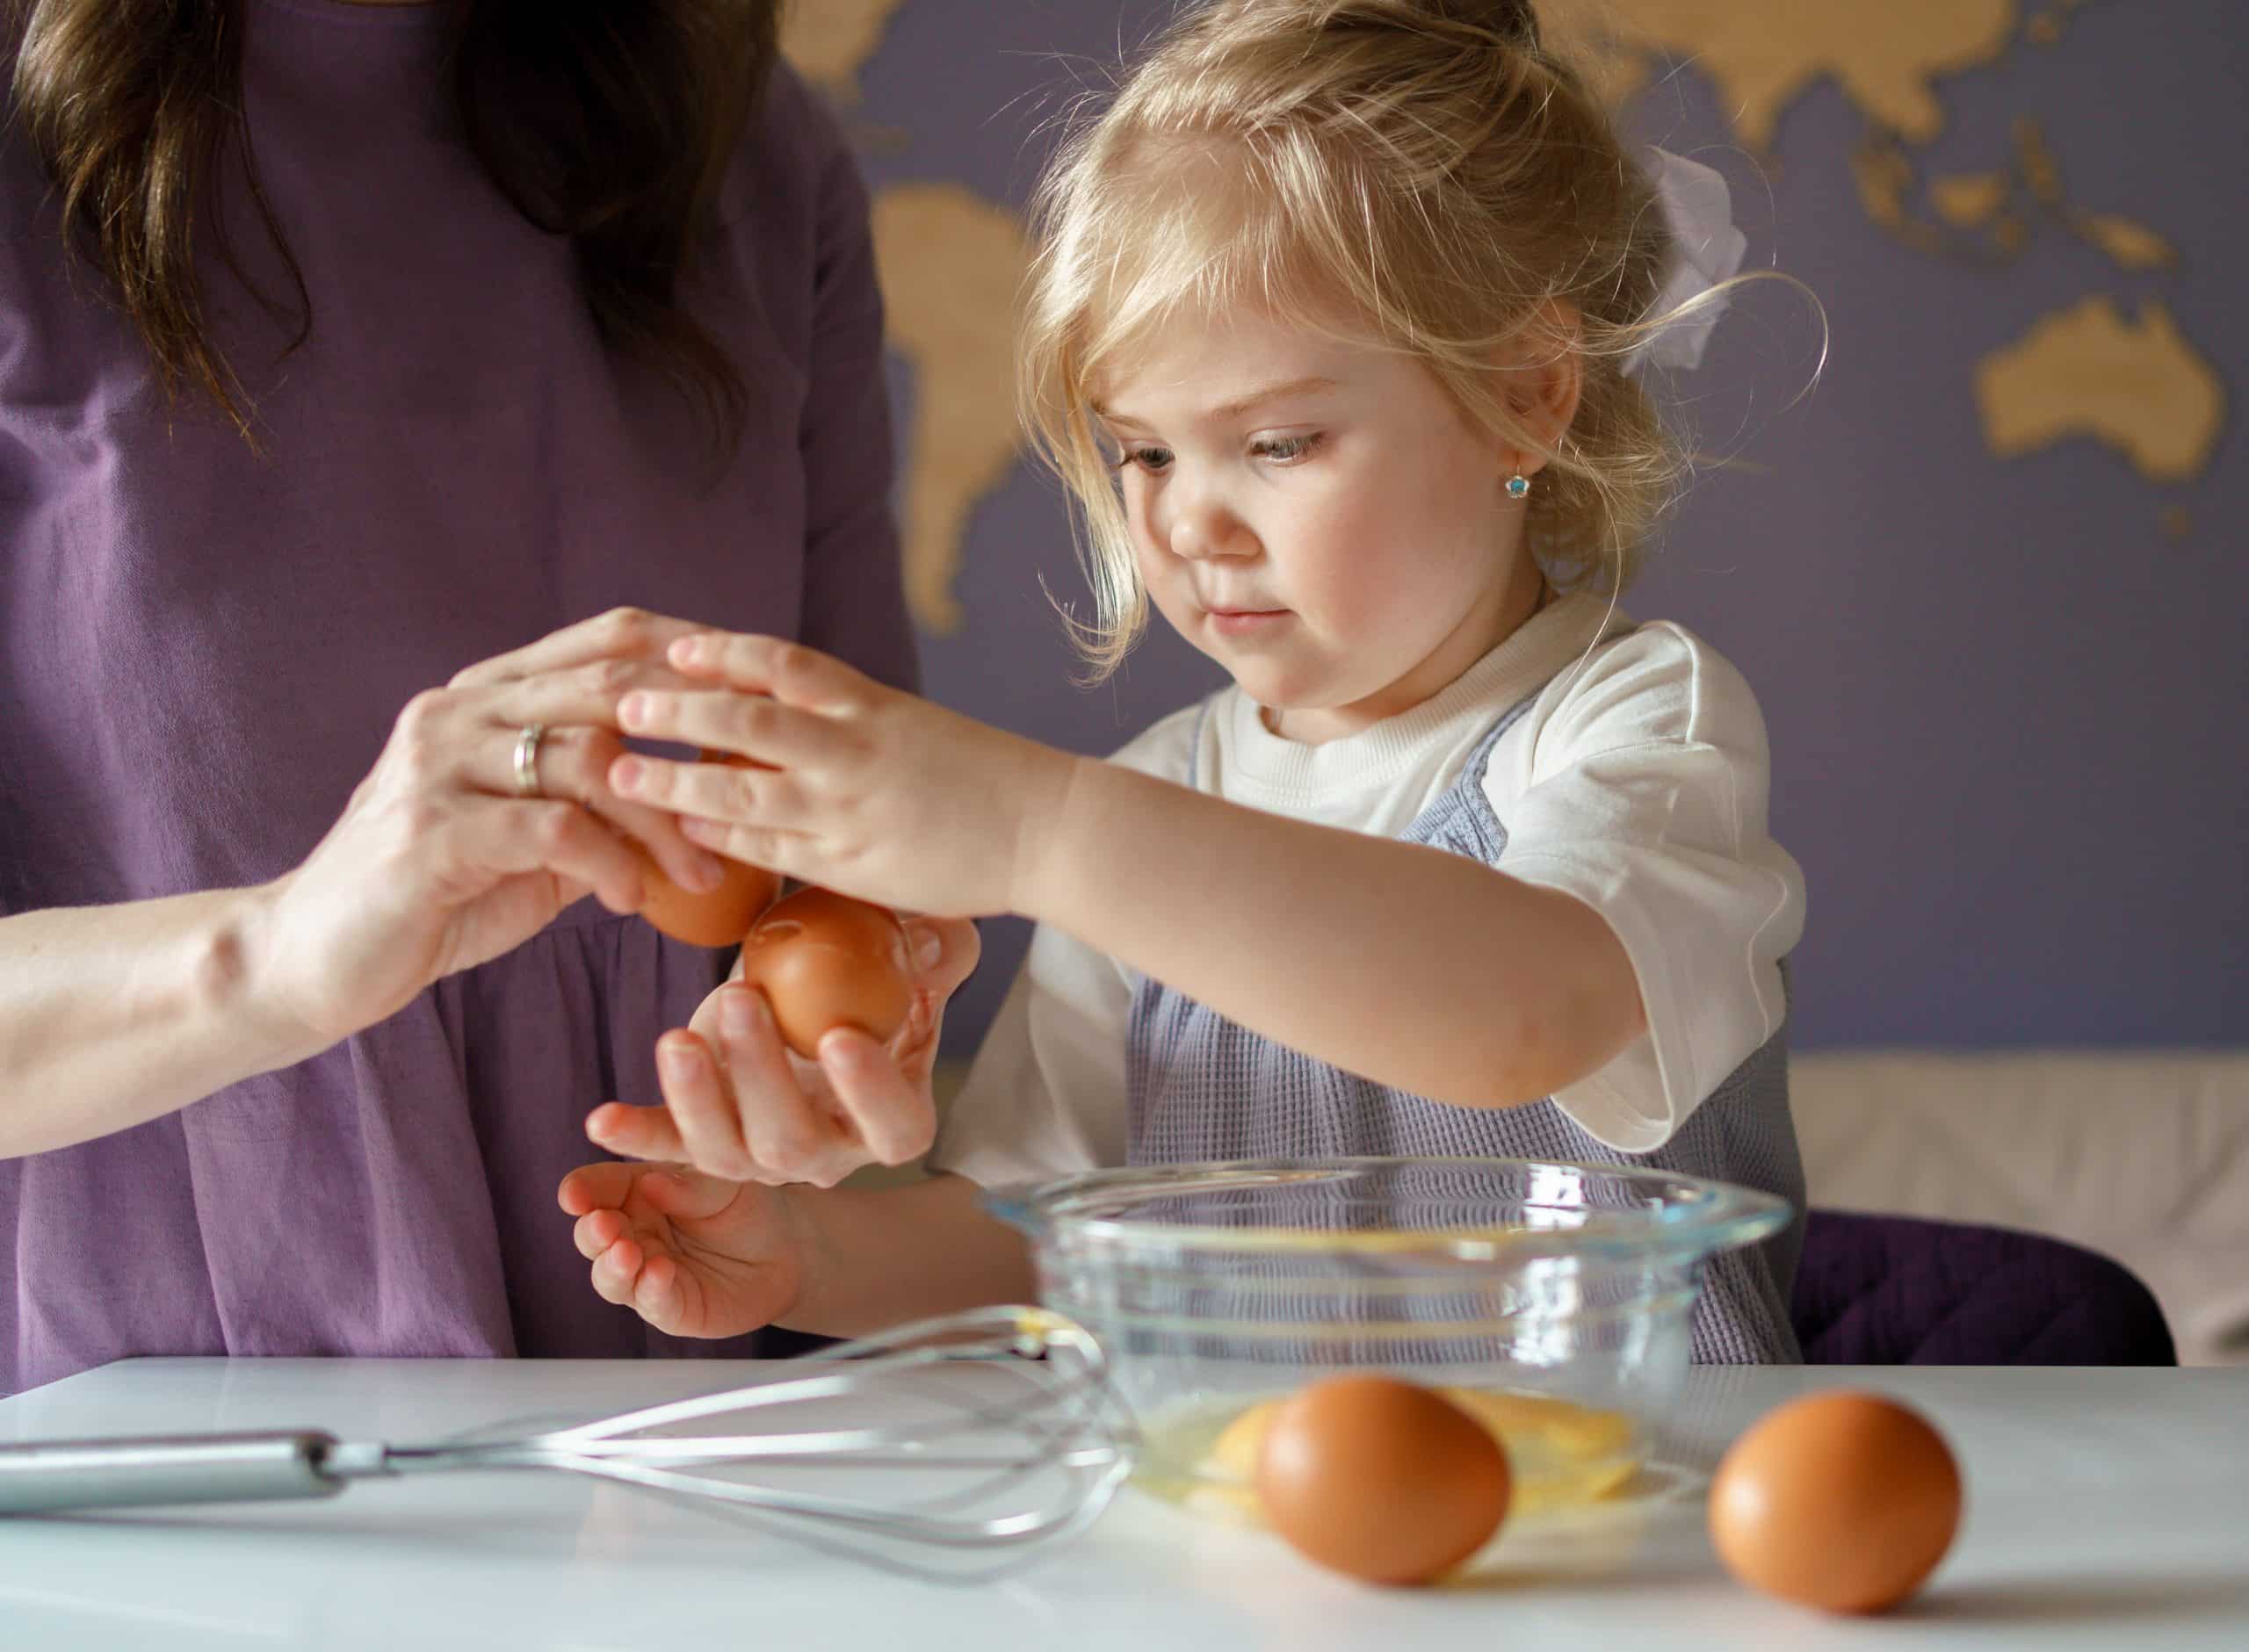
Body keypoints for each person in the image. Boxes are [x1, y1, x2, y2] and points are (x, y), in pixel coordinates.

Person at [558, 0, 1812, 1363]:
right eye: (1144, 453)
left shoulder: (1634, 719)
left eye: (1275, 443)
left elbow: (1522, 1013)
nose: (1187, 523)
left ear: (1527, 392)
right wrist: (807, 1254)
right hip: (1246, 1552)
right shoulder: (1159, 797)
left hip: (1624, 1535)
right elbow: (1042, 1242)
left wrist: (1042, 832)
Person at [0, 0, 978, 1399]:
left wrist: (848, 1050)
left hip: (667, 1393)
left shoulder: (747, 148)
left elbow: (864, 851)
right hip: (156, 1416)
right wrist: (271, 959)